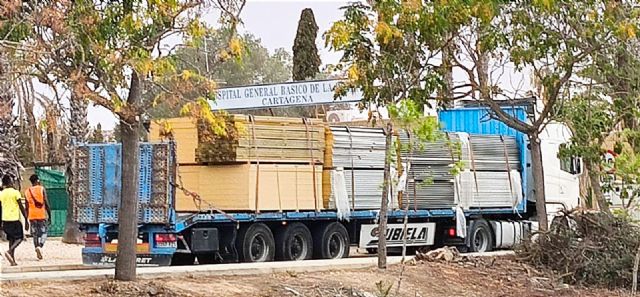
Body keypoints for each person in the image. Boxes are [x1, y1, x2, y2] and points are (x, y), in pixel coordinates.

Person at [0, 175, 28, 266]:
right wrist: (26, 219)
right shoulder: (15, 193)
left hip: (5, 219)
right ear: (10, 182)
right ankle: (9, 251)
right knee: (20, 238)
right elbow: (21, 207)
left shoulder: (2, 194)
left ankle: (12, 260)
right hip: (14, 219)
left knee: (11, 239)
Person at [25, 174, 51, 260]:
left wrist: (26, 220)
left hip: (32, 216)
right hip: (41, 215)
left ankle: (36, 248)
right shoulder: (41, 189)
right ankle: (40, 246)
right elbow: (46, 203)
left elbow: (26, 207)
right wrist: (49, 215)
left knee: (35, 234)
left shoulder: (27, 191)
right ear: (37, 180)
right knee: (44, 232)